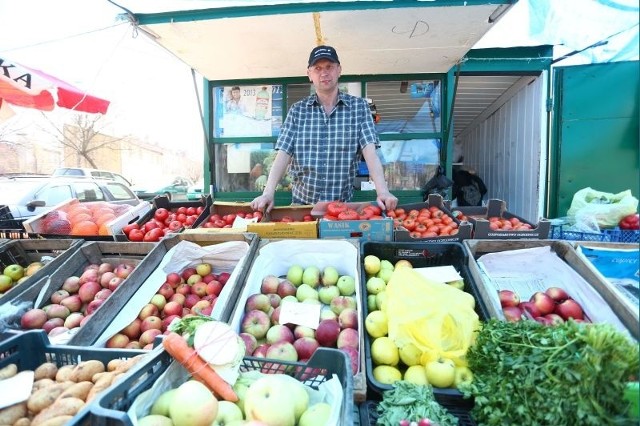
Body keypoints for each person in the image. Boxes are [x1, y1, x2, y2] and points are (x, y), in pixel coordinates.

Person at [251, 45, 398, 213]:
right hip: (302, 208)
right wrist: (268, 193)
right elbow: (283, 154)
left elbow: (370, 153)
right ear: (309, 74)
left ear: (339, 70)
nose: (324, 73)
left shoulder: (359, 108)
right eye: (318, 68)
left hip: (342, 211)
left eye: (329, 67)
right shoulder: (298, 111)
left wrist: (383, 192)